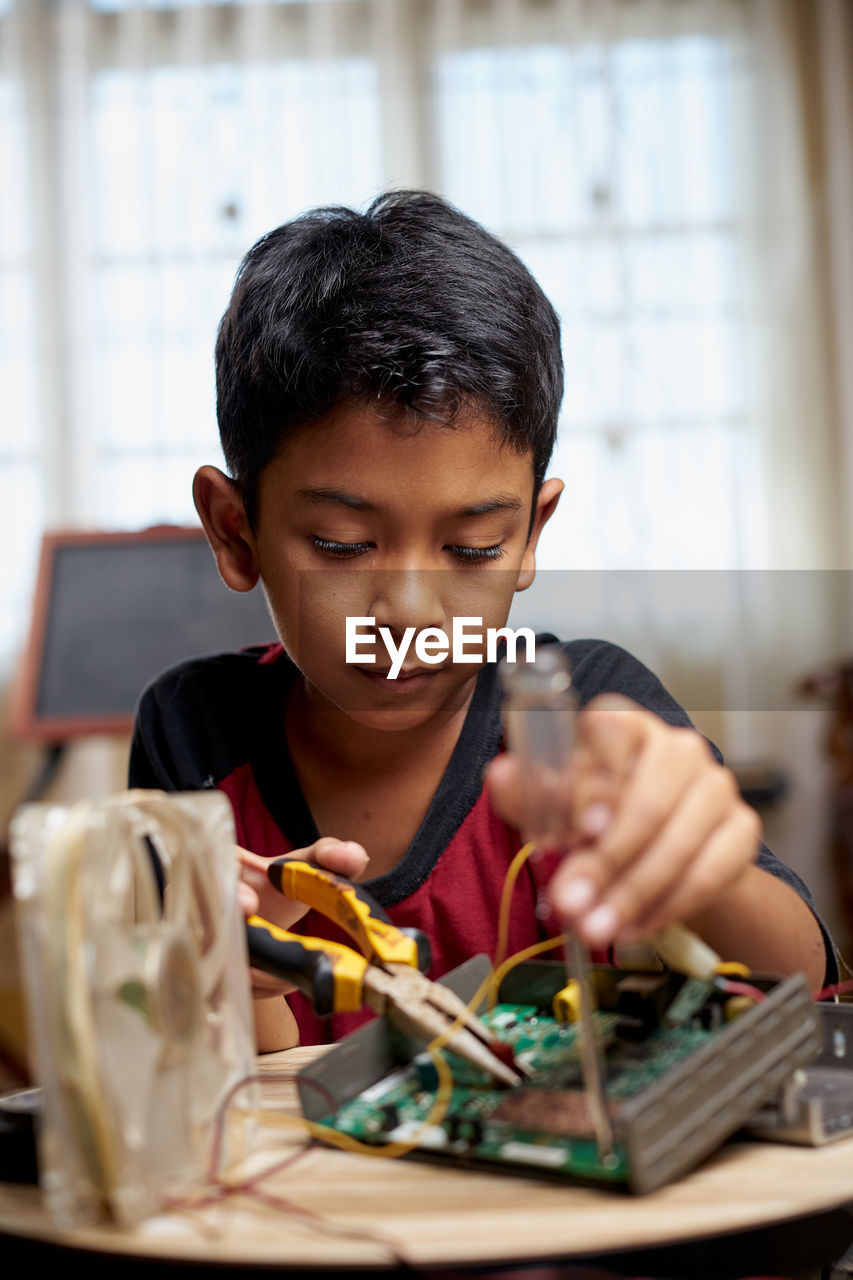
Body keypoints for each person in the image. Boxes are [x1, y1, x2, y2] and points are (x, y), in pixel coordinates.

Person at [129, 190, 836, 1052]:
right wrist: (246, 985)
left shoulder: (581, 710)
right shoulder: (193, 737)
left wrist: (710, 870)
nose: (413, 614)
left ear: (530, 535)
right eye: (343, 545)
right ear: (236, 532)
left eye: (471, 549)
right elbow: (214, 1081)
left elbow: (800, 987)